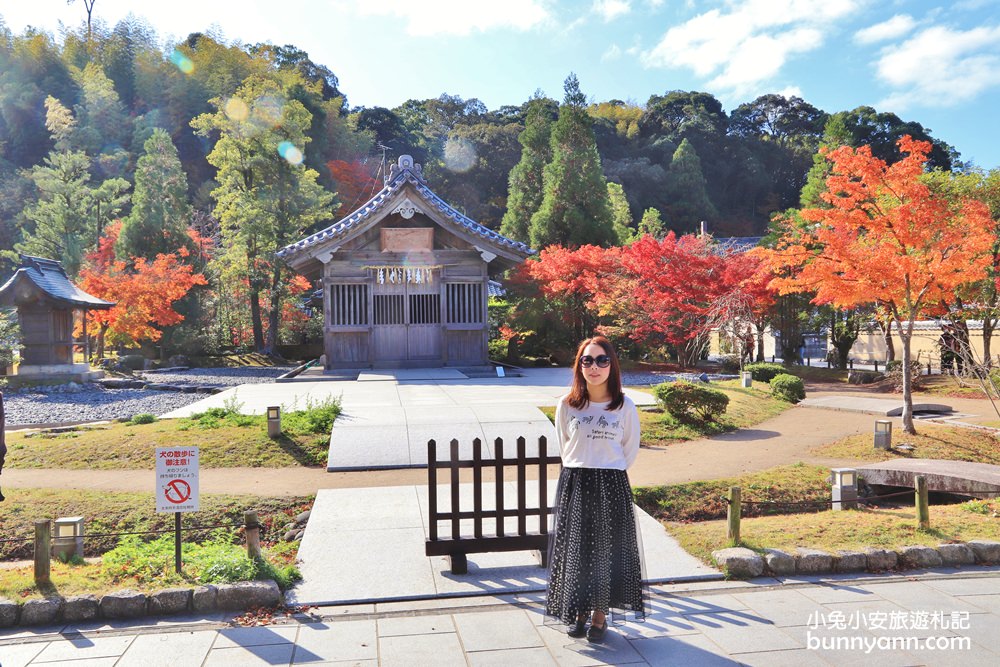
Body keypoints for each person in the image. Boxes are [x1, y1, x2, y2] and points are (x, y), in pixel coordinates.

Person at [545, 335, 646, 643]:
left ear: (611, 365)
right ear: (579, 366)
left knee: (606, 552)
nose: (594, 367)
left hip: (611, 483)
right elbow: (565, 446)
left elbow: (630, 449)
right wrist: (583, 466)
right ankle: (577, 612)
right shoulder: (567, 404)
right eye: (587, 360)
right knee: (577, 551)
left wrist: (607, 468)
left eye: (602, 360)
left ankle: (600, 617)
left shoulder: (624, 406)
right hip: (576, 482)